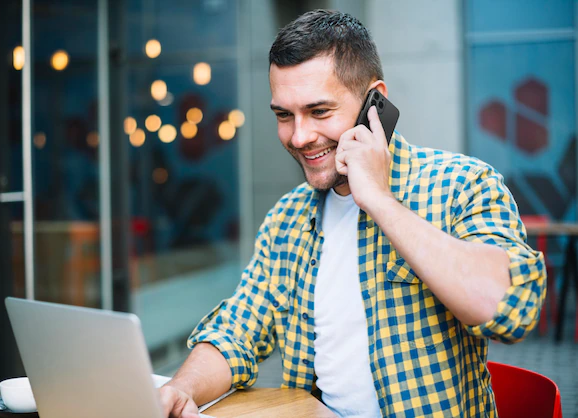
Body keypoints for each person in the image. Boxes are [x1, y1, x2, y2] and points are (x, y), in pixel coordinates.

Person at [158, 10, 546, 418]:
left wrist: (378, 199)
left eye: (320, 111)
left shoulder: (462, 184)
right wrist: (181, 389)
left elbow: (509, 309)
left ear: (374, 102)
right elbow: (238, 327)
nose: (300, 136)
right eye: (284, 115)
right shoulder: (287, 218)